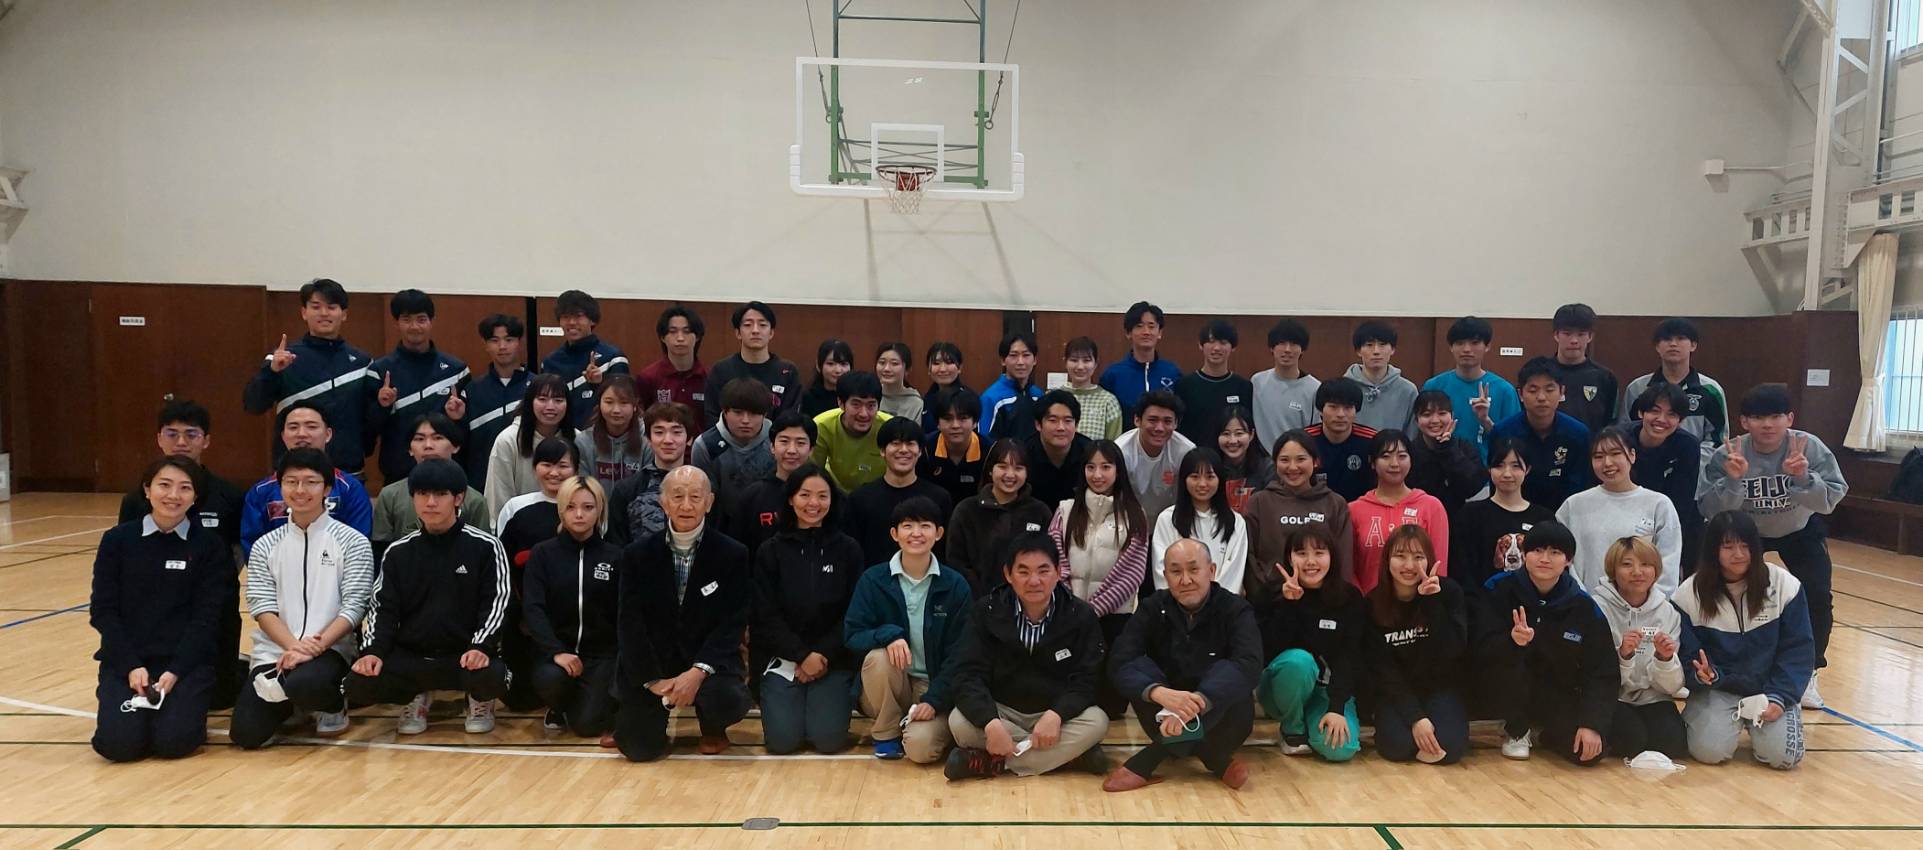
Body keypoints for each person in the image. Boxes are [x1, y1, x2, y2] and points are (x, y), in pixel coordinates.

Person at [1697, 383, 1847, 709]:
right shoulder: (1728, 453)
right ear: (1744, 422)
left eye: (1776, 416)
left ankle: (1808, 673)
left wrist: (1803, 478)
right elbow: (1709, 510)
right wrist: (1733, 480)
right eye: (1757, 417)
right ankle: (1723, 667)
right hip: (1745, 532)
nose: (1767, 425)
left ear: (1789, 418)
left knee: (1817, 595)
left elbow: (1829, 501)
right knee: (1722, 593)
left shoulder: (1809, 447)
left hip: (1799, 529)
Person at [347, 460, 512, 735]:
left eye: (440, 494)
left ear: (458, 498)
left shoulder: (485, 546)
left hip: (466, 654)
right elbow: (382, 609)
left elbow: (497, 602)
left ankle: (479, 699)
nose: (431, 502)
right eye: (422, 494)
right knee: (358, 682)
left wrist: (481, 646)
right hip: (413, 655)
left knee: (492, 676)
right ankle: (415, 695)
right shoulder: (398, 552)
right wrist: (373, 651)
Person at [89, 456, 234, 762]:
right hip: (129, 662)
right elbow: (103, 611)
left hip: (184, 664)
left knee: (173, 743)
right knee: (118, 746)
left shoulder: (209, 546)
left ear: (195, 496)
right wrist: (131, 666)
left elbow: (207, 618)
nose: (173, 495)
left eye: (185, 488)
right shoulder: (117, 541)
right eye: (164, 485)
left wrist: (176, 670)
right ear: (147, 489)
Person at [230, 448, 374, 748]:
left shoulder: (353, 542)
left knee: (307, 683)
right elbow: (262, 606)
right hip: (277, 651)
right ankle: (292, 703)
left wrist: (315, 646)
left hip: (331, 648)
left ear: (327, 489)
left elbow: (354, 606)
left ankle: (332, 704)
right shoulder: (265, 546)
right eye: (291, 482)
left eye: (310, 482)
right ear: (280, 486)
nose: (300, 490)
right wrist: (293, 646)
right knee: (246, 734)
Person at [943, 532, 1112, 781]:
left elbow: (1087, 679)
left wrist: (1056, 715)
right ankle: (1067, 758)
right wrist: (991, 723)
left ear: (1058, 572)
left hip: (1055, 715)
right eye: (1023, 572)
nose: (1034, 581)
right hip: (1002, 712)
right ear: (1008, 574)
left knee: (1097, 721)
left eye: (1043, 571)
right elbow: (966, 674)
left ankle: (991, 763)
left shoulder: (1080, 615)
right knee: (959, 722)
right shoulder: (985, 611)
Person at [613, 466, 753, 760]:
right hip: (655, 663)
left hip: (707, 662)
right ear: (663, 503)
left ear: (709, 502)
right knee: (638, 748)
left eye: (695, 497)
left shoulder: (733, 554)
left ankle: (712, 726)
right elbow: (630, 623)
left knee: (727, 699)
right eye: (677, 496)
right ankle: (653, 719)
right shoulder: (636, 555)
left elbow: (732, 622)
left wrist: (698, 672)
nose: (686, 506)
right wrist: (653, 680)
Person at [1102, 538, 1262, 792]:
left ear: (1211, 570)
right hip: (1163, 715)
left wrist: (1200, 701)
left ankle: (1151, 758)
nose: (1185, 580)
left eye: (1194, 569)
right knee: (1140, 668)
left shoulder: (1236, 609)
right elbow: (1120, 661)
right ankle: (1215, 760)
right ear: (1165, 575)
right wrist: (1159, 693)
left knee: (1228, 673)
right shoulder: (1152, 607)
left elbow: (1249, 664)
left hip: (1224, 724)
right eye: (1175, 572)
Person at [114, 400, 246, 707]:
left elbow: (238, 550)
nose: (182, 442)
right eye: (172, 434)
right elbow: (127, 554)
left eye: (191, 434)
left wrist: (208, 585)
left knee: (219, 700)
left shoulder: (229, 495)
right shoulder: (136, 500)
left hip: (215, 608)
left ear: (206, 440)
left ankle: (238, 668)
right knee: (156, 697)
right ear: (159, 439)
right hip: (154, 608)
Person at [1674, 510, 1814, 770]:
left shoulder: (1785, 586)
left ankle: (1772, 722)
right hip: (1718, 690)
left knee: (1783, 758)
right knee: (1708, 752)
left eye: (1745, 546)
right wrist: (1702, 675)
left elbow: (1798, 650)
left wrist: (1780, 696)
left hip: (1770, 688)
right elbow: (1687, 656)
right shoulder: (1688, 595)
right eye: (1728, 547)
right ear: (1713, 550)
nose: (1738, 554)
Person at [1477, 521, 1617, 765]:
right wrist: (1511, 641)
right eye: (1537, 550)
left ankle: (1546, 734)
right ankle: (1517, 731)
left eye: (1555, 552)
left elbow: (1602, 670)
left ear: (1568, 560)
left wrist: (1591, 724)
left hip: (1555, 694)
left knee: (1589, 754)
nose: (1545, 559)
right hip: (1501, 688)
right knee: (1514, 663)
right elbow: (1477, 647)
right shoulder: (1497, 588)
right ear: (1524, 555)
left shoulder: (1583, 605)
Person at [844, 498, 972, 762]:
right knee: (878, 657)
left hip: (934, 685)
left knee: (920, 750)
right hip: (889, 685)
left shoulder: (955, 584)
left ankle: (935, 729)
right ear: (894, 534)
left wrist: (934, 699)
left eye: (925, 526)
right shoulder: (873, 579)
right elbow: (852, 635)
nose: (916, 533)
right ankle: (887, 733)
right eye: (908, 526)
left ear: (938, 533)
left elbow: (962, 653)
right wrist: (888, 635)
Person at [751, 465, 866, 754]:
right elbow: (765, 615)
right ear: (791, 499)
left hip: (833, 660)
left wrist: (822, 655)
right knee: (782, 742)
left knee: (828, 741)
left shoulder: (848, 549)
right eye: (805, 495)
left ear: (832, 500)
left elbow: (854, 612)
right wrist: (801, 655)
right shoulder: (770, 550)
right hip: (783, 658)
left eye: (822, 496)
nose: (813, 503)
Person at [1047, 439, 1150, 716]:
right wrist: (1071, 606)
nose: (1098, 474)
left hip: (1114, 619)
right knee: (1068, 695)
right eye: (1091, 467)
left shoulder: (1135, 515)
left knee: (1111, 705)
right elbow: (1053, 562)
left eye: (1106, 467)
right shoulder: (1065, 511)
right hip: (1068, 616)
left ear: (1118, 471)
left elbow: (1131, 573)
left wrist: (1090, 611)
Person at [1246, 525, 1365, 762]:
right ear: (1289, 557)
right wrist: (1289, 605)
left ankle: (1313, 721)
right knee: (1299, 661)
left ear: (1332, 556)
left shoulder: (1349, 598)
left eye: (1319, 553)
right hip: (1281, 688)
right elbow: (1265, 652)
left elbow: (1350, 656)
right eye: (1301, 553)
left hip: (1326, 690)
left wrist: (1336, 708)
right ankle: (1292, 728)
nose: (1310, 561)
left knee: (1341, 748)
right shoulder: (1271, 593)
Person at [522, 475, 624, 742]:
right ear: (561, 510)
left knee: (588, 727)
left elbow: (624, 612)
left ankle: (588, 704)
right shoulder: (542, 554)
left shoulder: (616, 556)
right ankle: (558, 706)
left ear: (599, 510)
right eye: (571, 507)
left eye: (588, 507)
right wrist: (556, 651)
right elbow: (533, 608)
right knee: (549, 679)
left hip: (601, 656)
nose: (579, 514)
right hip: (556, 653)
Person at [242, 278, 376, 474]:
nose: (324, 313)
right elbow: (253, 404)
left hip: (348, 471)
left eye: (331, 307)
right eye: (316, 307)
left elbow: (370, 420)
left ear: (344, 314)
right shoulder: (282, 358)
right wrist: (271, 371)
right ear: (304, 312)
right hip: (294, 470)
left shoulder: (362, 362)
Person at [1366, 525, 1470, 765]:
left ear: (1429, 560)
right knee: (1397, 747)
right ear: (1387, 560)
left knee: (1451, 747)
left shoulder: (1449, 592)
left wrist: (1431, 603)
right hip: (1396, 691)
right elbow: (1382, 668)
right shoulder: (1373, 602)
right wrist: (1416, 718)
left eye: (1418, 557)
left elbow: (1452, 652)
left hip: (1440, 687)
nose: (1409, 565)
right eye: (1400, 556)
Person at [1592, 536, 1693, 759]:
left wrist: (1665, 659)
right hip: (1611, 696)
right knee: (1631, 740)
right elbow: (1593, 673)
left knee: (1672, 744)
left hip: (1652, 696)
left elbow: (1673, 686)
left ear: (1656, 570)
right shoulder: (1597, 608)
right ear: (1613, 570)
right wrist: (1624, 656)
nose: (1637, 572)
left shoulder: (1668, 612)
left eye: (1646, 564)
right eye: (1627, 564)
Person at [1556, 427, 1683, 595]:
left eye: (1615, 454)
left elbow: (1669, 562)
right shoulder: (1573, 505)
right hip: (1585, 603)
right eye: (1598, 456)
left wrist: (1649, 603)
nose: (1607, 463)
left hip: (1644, 606)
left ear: (1632, 455)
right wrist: (1583, 601)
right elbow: (1562, 560)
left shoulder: (1659, 504)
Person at [240, 402, 374, 557]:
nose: (302, 434)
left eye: (311, 426)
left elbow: (359, 544)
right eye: (293, 427)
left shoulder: (350, 489)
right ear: (283, 436)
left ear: (328, 434)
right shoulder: (261, 492)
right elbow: (253, 547)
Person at [367, 289, 469, 483]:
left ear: (432, 321)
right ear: (396, 322)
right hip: (398, 475)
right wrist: (382, 406)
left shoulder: (456, 370)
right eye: (406, 319)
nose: (414, 326)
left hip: (447, 474)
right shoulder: (380, 371)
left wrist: (458, 417)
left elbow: (465, 433)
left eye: (421, 319)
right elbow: (368, 430)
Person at [1244, 429, 1356, 587]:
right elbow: (1249, 557)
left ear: (1315, 461)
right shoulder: (1259, 502)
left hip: (1325, 597)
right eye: (1284, 460)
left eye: (1301, 459)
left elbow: (1344, 560)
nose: (1292, 467)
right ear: (1275, 463)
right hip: (1271, 597)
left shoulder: (1335, 504)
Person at [372, 414, 491, 560]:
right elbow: (381, 551)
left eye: (438, 438)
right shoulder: (390, 495)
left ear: (455, 446)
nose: (428, 445)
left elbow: (482, 553)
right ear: (410, 449)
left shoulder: (474, 500)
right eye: (419, 439)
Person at [1448, 436, 1555, 597]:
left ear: (1527, 469)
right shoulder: (1469, 515)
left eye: (1516, 466)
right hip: (1482, 605)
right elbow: (1461, 571)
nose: (1507, 474)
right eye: (1499, 465)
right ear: (1489, 469)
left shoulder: (1544, 518)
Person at [944, 439, 1054, 593]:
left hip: (1027, 599)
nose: (1010, 474)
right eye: (1002, 466)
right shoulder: (966, 510)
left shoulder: (1040, 512)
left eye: (1018, 468)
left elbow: (1048, 560)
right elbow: (956, 561)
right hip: (976, 600)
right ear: (990, 470)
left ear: (1027, 472)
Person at [1349, 430, 1449, 594]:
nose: (1394, 463)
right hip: (1367, 604)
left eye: (1402, 456)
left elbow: (1439, 567)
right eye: (1386, 456)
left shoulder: (1431, 507)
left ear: (1411, 460)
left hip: (1419, 603)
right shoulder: (1354, 510)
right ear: (1372, 462)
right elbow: (1348, 568)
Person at [847, 418, 955, 566]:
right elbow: (852, 554)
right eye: (895, 443)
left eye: (910, 444)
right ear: (882, 450)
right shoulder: (860, 498)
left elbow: (945, 551)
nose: (903, 450)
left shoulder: (939, 498)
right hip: (873, 579)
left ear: (920, 451)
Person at [1489, 356, 1592, 509]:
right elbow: (1497, 485)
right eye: (1533, 390)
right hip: (1514, 512)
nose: (1541, 397)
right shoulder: (1503, 432)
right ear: (1520, 394)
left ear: (1562, 392)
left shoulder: (1578, 434)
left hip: (1564, 514)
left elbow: (1581, 487)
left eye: (1549, 390)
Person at [1620, 317, 1729, 455]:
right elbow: (1625, 432)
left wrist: (1690, 460)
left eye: (1680, 338)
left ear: (1693, 345)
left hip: (1695, 465)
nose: (1673, 344)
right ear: (1657, 347)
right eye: (1667, 339)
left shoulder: (1711, 389)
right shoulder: (1637, 388)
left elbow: (1717, 439)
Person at [1626, 382, 1705, 570]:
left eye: (1672, 414)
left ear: (1680, 420)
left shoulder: (1688, 446)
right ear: (1641, 413)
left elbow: (1681, 502)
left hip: (1666, 518)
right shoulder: (1620, 439)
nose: (1662, 419)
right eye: (1655, 411)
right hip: (1624, 515)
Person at [1151, 449, 1250, 593]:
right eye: (1195, 477)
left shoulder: (1236, 522)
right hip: (1179, 601)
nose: (1202, 484)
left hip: (1224, 603)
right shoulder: (1167, 519)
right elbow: (1162, 568)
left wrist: (1214, 601)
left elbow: (1235, 570)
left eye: (1210, 477)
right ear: (1184, 479)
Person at [1421, 316, 1520, 460]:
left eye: (1475, 343)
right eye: (1460, 343)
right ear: (1451, 347)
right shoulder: (1434, 386)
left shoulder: (1505, 391)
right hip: (1440, 467)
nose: (1467, 349)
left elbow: (1514, 442)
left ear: (1487, 346)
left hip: (1488, 469)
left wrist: (1486, 421)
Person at [451, 314, 530, 493]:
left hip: (526, 485)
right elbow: (460, 445)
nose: (502, 346)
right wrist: (456, 420)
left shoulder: (537, 388)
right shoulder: (472, 390)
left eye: (509, 340)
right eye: (495, 340)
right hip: (480, 485)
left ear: (519, 342)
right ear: (486, 345)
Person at [484, 373, 576, 520]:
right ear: (530, 402)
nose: (550, 406)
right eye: (542, 399)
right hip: (519, 526)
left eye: (558, 400)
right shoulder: (508, 440)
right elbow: (498, 497)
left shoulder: (577, 439)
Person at [728, 410, 817, 557]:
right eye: (784, 441)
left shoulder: (824, 496)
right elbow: (739, 550)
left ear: (811, 450)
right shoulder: (752, 497)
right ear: (772, 447)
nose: (792, 450)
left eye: (800, 443)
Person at [607, 402, 697, 545]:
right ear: (648, 439)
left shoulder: (703, 488)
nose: (668, 440)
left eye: (676, 432)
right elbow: (616, 545)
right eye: (659, 432)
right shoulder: (627, 490)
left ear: (689, 439)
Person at [541, 290, 631, 429]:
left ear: (592, 320)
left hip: (599, 436)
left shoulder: (613, 358)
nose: (571, 322)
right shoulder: (550, 362)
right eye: (565, 317)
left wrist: (598, 384)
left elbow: (623, 404)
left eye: (578, 316)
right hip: (560, 436)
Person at [689, 377, 775, 523]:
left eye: (754, 413)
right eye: (738, 412)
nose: (745, 420)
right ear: (725, 411)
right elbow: (705, 499)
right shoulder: (705, 445)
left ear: (765, 414)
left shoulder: (778, 441)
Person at [703, 300, 802, 423]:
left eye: (762, 325)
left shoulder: (787, 371)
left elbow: (790, 417)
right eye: (748, 325)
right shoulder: (721, 370)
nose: (755, 330)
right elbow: (712, 415)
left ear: (771, 333)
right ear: (738, 333)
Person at [495, 437, 581, 567]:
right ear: (535, 467)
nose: (554, 473)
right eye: (547, 465)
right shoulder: (515, 507)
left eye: (562, 466)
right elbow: (501, 557)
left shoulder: (586, 508)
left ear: (576, 470)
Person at [1116, 390, 1195, 526]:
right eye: (1153, 420)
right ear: (1137, 420)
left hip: (1171, 523)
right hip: (1128, 523)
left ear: (1176, 424)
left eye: (1167, 421)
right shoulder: (1121, 451)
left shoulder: (1186, 451)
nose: (1159, 428)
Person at [1173, 319, 1254, 448]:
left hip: (1230, 455)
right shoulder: (1184, 385)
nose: (1216, 348)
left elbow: (1247, 428)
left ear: (1233, 347)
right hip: (1194, 456)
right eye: (1211, 342)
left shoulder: (1244, 387)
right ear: (1200, 345)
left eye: (1223, 342)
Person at [810, 370, 893, 492]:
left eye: (871, 406)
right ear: (841, 403)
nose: (864, 414)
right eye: (856, 405)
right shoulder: (822, 425)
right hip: (836, 493)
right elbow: (813, 472)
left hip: (880, 493)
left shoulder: (890, 427)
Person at [634, 304, 710, 435]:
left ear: (697, 337)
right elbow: (641, 420)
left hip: (700, 446)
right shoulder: (648, 377)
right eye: (673, 331)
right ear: (663, 337)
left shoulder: (709, 377)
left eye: (687, 331)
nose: (680, 338)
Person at [1408, 390, 1487, 516]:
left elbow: (1472, 486)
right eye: (1427, 414)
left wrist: (1447, 448)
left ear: (1452, 416)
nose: (1435, 420)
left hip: (1457, 520)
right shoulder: (1408, 451)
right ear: (1417, 420)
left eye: (1442, 413)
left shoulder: (1463, 447)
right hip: (1416, 518)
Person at [1546, 303, 1618, 434]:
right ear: (1556, 335)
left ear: (1590, 336)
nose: (1574, 340)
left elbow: (1610, 423)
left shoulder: (1605, 377)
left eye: (1581, 334)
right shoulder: (1542, 373)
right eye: (1567, 334)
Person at [1099, 301, 1181, 415]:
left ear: (1160, 333)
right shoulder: (1113, 375)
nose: (1146, 332)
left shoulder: (1172, 372)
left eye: (1151, 326)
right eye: (1139, 326)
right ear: (1128, 333)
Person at [1304, 378, 1377, 501]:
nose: (1341, 414)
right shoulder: (1303, 441)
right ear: (1320, 410)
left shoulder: (1372, 440)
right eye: (1333, 407)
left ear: (1356, 411)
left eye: (1348, 408)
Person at [1251, 318, 1320, 447]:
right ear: (1272, 348)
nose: (1287, 349)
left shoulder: (1314, 388)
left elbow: (1316, 432)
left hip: (1298, 455)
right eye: (1281, 343)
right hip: (1262, 457)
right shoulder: (1257, 382)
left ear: (1302, 349)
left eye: (1293, 344)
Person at [1343, 320, 1418, 434]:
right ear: (1358, 351)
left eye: (1382, 344)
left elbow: (1412, 433)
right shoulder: (1344, 388)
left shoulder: (1407, 390)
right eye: (1369, 345)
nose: (1376, 351)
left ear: (1392, 349)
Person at [573, 375, 647, 487]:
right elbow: (582, 485)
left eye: (624, 402)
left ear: (635, 405)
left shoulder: (647, 440)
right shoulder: (583, 441)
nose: (616, 410)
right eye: (609, 402)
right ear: (599, 403)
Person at [1022, 389, 1091, 505]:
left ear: (1076, 425)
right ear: (1038, 424)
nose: (1061, 428)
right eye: (1053, 420)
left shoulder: (1089, 453)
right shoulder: (1023, 454)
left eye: (1067, 421)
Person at [921, 387, 985, 506]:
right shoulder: (924, 449)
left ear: (975, 422)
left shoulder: (990, 450)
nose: (955, 425)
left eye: (963, 418)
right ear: (938, 423)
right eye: (947, 419)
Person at [979, 331, 1045, 442]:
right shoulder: (991, 398)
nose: (1020, 362)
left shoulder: (1038, 395)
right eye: (1013, 355)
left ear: (1035, 360)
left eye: (1026, 355)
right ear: (1003, 360)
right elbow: (984, 441)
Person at [1063, 336, 1124, 441]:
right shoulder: (1053, 397)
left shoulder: (1108, 401)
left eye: (1086, 360)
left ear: (1095, 364)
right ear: (1065, 362)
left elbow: (1113, 445)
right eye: (1074, 360)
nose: (1080, 367)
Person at [1215, 406, 1272, 514]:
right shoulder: (1211, 468)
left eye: (1239, 433)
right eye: (1226, 433)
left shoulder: (1267, 468)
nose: (1232, 441)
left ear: (1251, 434)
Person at [919, 341, 970, 437]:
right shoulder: (925, 400)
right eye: (936, 363)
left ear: (960, 367)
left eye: (949, 362)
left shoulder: (968, 399)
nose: (942, 369)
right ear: (929, 369)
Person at [801, 338, 855, 419]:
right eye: (831, 364)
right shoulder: (806, 398)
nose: (838, 370)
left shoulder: (856, 396)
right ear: (818, 365)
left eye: (843, 364)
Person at [876, 342, 925, 423]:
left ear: (907, 369)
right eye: (882, 362)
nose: (886, 369)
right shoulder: (870, 395)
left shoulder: (915, 403)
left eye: (894, 364)